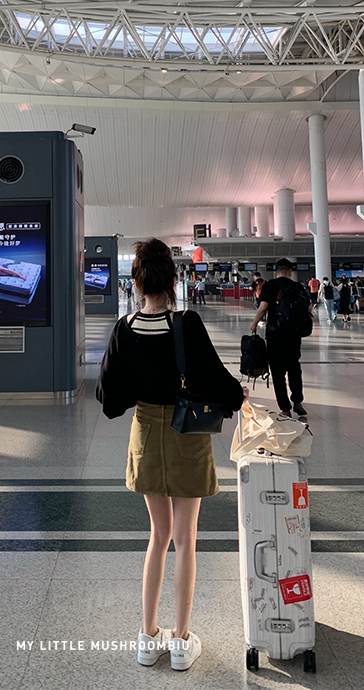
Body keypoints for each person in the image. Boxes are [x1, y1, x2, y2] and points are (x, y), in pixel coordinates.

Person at [96, 238, 245, 672]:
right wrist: (237, 395)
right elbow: (217, 379)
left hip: (145, 435)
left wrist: (140, 382)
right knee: (185, 540)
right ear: (173, 280)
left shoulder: (124, 328)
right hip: (186, 435)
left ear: (137, 282)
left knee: (157, 536)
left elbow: (109, 399)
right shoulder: (186, 324)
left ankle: (148, 637)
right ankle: (181, 641)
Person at [250, 258, 312, 421]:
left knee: (277, 372)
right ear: (290, 272)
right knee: (294, 367)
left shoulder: (270, 285)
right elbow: (308, 308)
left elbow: (263, 307)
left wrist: (254, 323)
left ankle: (285, 409)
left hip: (275, 333)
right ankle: (297, 401)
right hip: (294, 334)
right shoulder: (297, 286)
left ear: (276, 272)